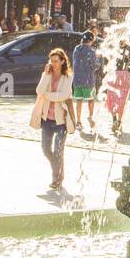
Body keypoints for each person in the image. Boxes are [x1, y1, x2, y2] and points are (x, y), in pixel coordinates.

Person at [30, 48, 75, 192]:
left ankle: (56, 179)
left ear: (62, 61)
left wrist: (48, 95)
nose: (53, 64)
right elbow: (39, 91)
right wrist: (46, 75)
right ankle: (57, 170)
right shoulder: (47, 74)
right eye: (51, 61)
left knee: (58, 151)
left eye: (56, 61)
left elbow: (64, 95)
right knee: (45, 148)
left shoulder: (67, 77)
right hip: (46, 119)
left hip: (61, 120)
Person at [72, 31, 99, 132]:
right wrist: (98, 59)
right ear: (91, 40)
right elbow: (95, 66)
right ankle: (90, 117)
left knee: (79, 100)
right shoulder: (91, 52)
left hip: (77, 80)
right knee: (91, 99)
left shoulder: (76, 49)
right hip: (88, 80)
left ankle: (78, 122)